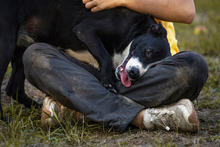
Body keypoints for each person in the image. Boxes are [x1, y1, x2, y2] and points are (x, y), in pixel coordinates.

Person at [22, 0, 208, 133]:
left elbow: (185, 10)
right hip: (86, 69)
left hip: (150, 76)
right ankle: (143, 118)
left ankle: (81, 107)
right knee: (35, 56)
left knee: (195, 66)